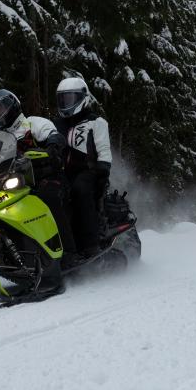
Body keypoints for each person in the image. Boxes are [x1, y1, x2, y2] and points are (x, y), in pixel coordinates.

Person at [0, 89, 76, 259]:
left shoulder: (33, 123)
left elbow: (53, 135)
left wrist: (52, 146)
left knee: (49, 198)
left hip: (48, 177)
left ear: (12, 105)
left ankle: (68, 252)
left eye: (0, 108)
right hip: (15, 185)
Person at [54, 77, 112, 258]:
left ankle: (90, 244)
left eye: (70, 98)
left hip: (89, 170)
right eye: (63, 99)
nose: (66, 103)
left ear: (82, 98)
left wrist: (102, 170)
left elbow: (103, 148)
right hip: (61, 171)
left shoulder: (96, 122)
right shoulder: (56, 124)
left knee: (80, 189)